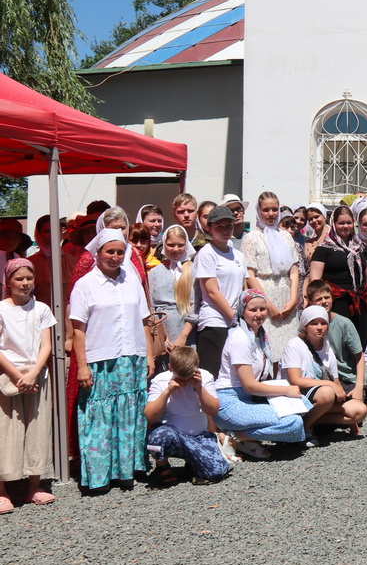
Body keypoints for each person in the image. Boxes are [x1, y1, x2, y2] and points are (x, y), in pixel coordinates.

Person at [69, 229, 155, 490]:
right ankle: (99, 476)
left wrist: (149, 355)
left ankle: (126, 471)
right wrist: (82, 365)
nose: (115, 257)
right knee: (100, 418)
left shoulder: (132, 282)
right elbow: (78, 330)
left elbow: (144, 321)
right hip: (100, 359)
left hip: (132, 357)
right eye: (110, 251)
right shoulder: (85, 285)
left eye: (120, 252)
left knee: (129, 416)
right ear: (98, 253)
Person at [213, 291, 307, 460]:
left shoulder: (259, 335)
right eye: (253, 310)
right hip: (230, 402)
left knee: (303, 403)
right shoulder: (240, 338)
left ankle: (241, 437)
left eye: (262, 309)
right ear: (242, 311)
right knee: (294, 423)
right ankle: (235, 437)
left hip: (247, 398)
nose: (259, 314)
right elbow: (249, 385)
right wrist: (285, 391)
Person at [0, 259, 57, 510]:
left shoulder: (42, 309)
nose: (25, 283)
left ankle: (34, 485)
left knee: (37, 428)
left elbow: (46, 344)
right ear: (8, 282)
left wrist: (34, 372)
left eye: (29, 278)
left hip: (36, 376)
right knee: (6, 432)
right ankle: (2, 489)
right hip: (8, 375)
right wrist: (16, 374)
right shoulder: (1, 309)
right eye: (19, 279)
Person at [144, 346, 230, 486]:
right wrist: (168, 391)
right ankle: (162, 466)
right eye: (181, 376)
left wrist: (199, 387)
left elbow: (213, 410)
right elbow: (150, 416)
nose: (185, 381)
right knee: (157, 437)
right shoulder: (160, 380)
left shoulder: (205, 376)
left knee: (217, 472)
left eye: (188, 376)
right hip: (172, 435)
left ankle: (193, 464)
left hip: (198, 436)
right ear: (170, 368)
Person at [280, 306, 367, 436]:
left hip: (319, 396)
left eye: (323, 323)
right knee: (327, 393)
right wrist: (330, 385)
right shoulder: (294, 344)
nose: (319, 327)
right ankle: (305, 429)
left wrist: (351, 422)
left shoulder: (327, 348)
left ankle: (311, 421)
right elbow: (295, 380)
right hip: (296, 394)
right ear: (305, 326)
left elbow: (336, 381)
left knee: (359, 411)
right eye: (314, 323)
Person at [243, 192, 301, 363]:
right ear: (258, 211)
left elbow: (294, 270)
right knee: (268, 352)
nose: (271, 214)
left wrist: (292, 301)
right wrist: (268, 305)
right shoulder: (251, 238)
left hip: (286, 296)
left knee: (290, 350)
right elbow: (250, 275)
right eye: (266, 210)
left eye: (274, 209)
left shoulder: (285, 236)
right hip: (264, 297)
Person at [310, 205, 367, 347]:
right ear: (333, 224)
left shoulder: (361, 247)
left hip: (360, 303)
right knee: (340, 344)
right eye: (341, 223)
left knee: (361, 342)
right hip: (336, 304)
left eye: (348, 222)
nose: (345, 226)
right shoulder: (323, 249)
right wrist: (320, 307)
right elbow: (315, 281)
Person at [194, 206, 248, 377]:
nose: (225, 230)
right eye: (219, 227)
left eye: (228, 226)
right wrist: (233, 317)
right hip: (215, 322)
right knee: (213, 374)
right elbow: (212, 292)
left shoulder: (238, 255)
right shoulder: (207, 254)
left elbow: (243, 286)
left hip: (235, 322)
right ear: (209, 228)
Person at [147, 224, 196, 372]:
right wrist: (163, 338)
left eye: (180, 245)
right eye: (170, 245)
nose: (175, 249)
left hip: (187, 331)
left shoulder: (194, 270)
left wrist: (183, 336)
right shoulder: (155, 272)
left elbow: (197, 306)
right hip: (162, 331)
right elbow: (151, 306)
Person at [307, 280, 365, 405]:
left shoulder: (344, 324)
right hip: (321, 377)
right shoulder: (307, 324)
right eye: (318, 299)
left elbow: (359, 356)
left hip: (346, 378)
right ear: (311, 302)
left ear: (332, 298)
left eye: (327, 297)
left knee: (356, 409)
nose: (324, 302)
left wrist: (359, 387)